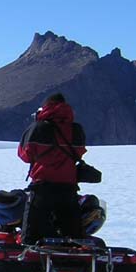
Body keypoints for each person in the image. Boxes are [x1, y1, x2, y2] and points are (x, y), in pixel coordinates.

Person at [18, 92, 86, 243]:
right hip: (69, 189)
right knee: (74, 239)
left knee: (30, 239)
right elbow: (79, 152)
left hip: (43, 188)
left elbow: (25, 155)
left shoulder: (38, 128)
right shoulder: (76, 129)